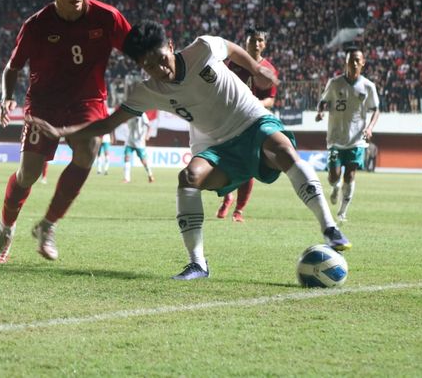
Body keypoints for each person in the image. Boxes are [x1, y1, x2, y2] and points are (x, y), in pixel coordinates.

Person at [27, 21, 351, 280]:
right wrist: (62, 131)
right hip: (215, 145)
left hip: (252, 121)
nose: (161, 70)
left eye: (162, 59)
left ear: (171, 46)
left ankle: (329, 226)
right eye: (150, 66)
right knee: (189, 177)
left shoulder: (201, 48)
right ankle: (198, 264)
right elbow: (108, 123)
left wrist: (255, 67)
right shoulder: (147, 92)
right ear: (141, 67)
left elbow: (232, 48)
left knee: (282, 149)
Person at [0, 0, 131, 264]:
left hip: (88, 100)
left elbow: (136, 46)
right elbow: (12, 68)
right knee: (29, 174)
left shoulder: (106, 17)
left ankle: (48, 225)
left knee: (89, 147)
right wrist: (7, 98)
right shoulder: (37, 25)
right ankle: (6, 227)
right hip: (44, 103)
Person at [216, 26, 277, 223]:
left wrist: (255, 103)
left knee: (249, 165)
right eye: (252, 40)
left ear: (264, 44)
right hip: (231, 119)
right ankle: (227, 197)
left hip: (254, 121)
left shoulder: (269, 69)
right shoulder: (232, 64)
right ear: (246, 43)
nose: (256, 43)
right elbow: (222, 87)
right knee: (226, 163)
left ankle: (239, 210)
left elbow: (271, 100)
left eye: (260, 40)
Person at [315, 46, 380, 223]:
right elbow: (323, 101)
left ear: (363, 63)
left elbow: (376, 110)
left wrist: (370, 128)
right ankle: (335, 187)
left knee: (350, 176)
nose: (354, 63)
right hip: (336, 139)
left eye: (358, 60)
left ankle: (342, 212)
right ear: (346, 61)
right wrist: (320, 112)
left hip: (357, 140)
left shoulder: (368, 86)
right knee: (333, 176)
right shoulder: (335, 83)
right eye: (351, 60)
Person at [123, 114, 154, 183]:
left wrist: (147, 135)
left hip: (139, 141)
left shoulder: (142, 114)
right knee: (126, 158)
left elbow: (149, 126)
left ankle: (150, 174)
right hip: (129, 141)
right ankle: (126, 178)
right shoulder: (128, 113)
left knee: (143, 161)